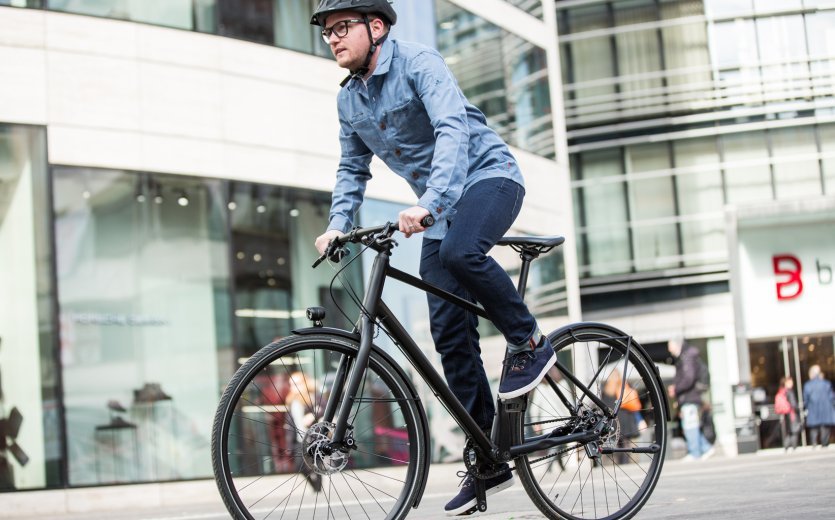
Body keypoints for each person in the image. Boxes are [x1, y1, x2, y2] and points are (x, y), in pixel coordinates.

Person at [309, 1, 556, 514]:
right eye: (327, 33)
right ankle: (491, 457)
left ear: (375, 28)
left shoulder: (420, 63)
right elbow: (352, 170)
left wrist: (428, 203)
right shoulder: (349, 102)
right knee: (448, 333)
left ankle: (530, 342)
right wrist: (337, 226)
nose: (333, 39)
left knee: (462, 252)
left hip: (488, 179)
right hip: (438, 208)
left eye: (341, 29)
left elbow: (452, 130)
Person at [667, 337, 714, 461]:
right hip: (689, 396)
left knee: (690, 424)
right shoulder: (687, 356)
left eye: (670, 346)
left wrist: (676, 389)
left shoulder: (687, 356)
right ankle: (706, 447)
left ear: (676, 345)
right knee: (690, 423)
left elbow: (688, 378)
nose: (669, 350)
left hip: (690, 396)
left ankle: (695, 452)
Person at [802, 365, 834, 448]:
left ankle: (814, 442)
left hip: (813, 409)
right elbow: (832, 397)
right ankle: (824, 443)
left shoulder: (808, 385)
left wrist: (806, 408)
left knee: (814, 427)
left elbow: (806, 399)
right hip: (825, 409)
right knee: (825, 427)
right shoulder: (826, 384)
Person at [774, 376, 801, 451]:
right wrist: (798, 410)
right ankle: (793, 446)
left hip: (786, 414)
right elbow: (793, 404)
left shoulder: (781, 391)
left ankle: (786, 446)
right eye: (790, 381)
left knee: (790, 431)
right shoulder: (789, 391)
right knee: (794, 430)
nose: (792, 383)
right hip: (792, 413)